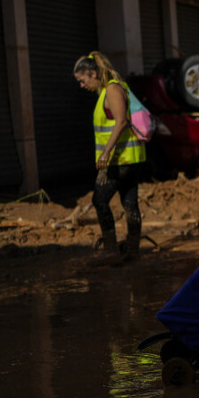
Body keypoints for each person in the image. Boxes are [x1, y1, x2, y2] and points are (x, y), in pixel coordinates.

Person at [73, 51, 147, 264]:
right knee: (129, 202)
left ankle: (111, 251)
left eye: (82, 80)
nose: (82, 85)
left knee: (99, 200)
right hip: (129, 157)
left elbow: (121, 122)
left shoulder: (112, 90)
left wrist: (106, 152)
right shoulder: (111, 89)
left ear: (93, 74)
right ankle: (132, 251)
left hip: (121, 159)